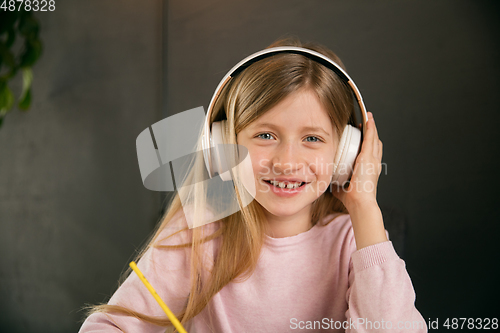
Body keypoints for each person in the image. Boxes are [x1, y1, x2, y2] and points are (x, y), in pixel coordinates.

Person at [79, 38, 427, 332]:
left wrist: (365, 205)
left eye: (312, 138)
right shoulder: (202, 226)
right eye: (265, 135)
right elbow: (106, 327)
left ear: (346, 154)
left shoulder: (354, 240)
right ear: (222, 144)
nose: (287, 162)